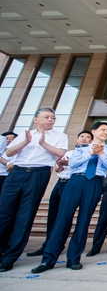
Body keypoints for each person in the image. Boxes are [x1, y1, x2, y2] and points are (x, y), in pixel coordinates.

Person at [31, 122, 107, 274]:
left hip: (95, 183)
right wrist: (91, 153)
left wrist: (100, 154)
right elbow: (74, 163)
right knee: (63, 218)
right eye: (102, 130)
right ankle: (48, 259)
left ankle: (73, 259)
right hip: (76, 181)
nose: (106, 132)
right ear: (94, 131)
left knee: (84, 221)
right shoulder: (81, 149)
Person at [0, 108, 68, 272]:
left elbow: (60, 153)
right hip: (17, 172)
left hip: (39, 174)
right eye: (46, 117)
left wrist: (43, 143)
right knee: (4, 213)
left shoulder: (60, 136)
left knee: (25, 216)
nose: (50, 120)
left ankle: (9, 258)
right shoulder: (24, 134)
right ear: (36, 119)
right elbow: (9, 152)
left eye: (53, 118)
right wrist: (25, 142)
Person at [26, 130, 93, 257]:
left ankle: (59, 244)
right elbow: (57, 169)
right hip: (60, 183)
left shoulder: (89, 154)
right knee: (53, 215)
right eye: (82, 136)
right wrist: (60, 165)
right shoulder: (68, 153)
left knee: (65, 215)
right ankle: (48, 244)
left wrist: (70, 163)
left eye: (87, 137)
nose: (84, 139)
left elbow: (82, 168)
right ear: (77, 139)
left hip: (72, 183)